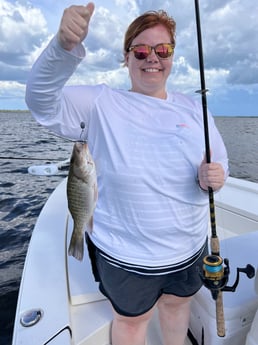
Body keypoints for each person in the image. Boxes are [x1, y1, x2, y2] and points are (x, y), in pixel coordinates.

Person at [25, 3, 228, 345]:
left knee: (177, 308)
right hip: (124, 256)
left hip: (189, 249)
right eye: (141, 50)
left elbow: (217, 162)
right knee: (131, 323)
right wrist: (63, 46)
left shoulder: (195, 109)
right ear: (126, 56)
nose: (153, 58)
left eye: (163, 50)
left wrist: (212, 177)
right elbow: (41, 102)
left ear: (172, 56)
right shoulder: (100, 103)